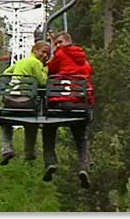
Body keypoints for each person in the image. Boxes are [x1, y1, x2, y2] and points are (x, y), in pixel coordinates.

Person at [42, 31, 94, 189]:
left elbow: (49, 69)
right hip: (79, 104)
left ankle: (50, 162)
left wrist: (52, 53)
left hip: (60, 102)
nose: (57, 46)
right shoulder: (84, 60)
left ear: (66, 42)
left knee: (48, 129)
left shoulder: (60, 55)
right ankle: (84, 167)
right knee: (80, 138)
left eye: (59, 43)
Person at [0, 40, 51, 166]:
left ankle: (6, 149)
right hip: (27, 101)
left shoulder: (21, 62)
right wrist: (45, 69)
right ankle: (29, 152)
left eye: (48, 54)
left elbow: (6, 73)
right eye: (43, 52)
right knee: (32, 122)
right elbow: (43, 82)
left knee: (5, 122)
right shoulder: (36, 63)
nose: (45, 56)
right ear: (35, 50)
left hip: (10, 100)